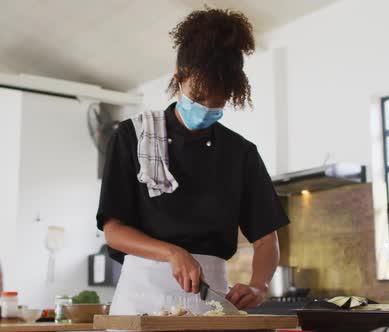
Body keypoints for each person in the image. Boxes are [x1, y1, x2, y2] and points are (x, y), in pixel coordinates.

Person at [96, 7, 289, 315]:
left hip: (208, 302)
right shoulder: (132, 137)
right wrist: (171, 252)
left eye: (218, 103)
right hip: (140, 298)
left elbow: (267, 239)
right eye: (198, 97)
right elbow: (113, 230)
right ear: (179, 76)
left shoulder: (240, 153)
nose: (205, 109)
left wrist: (258, 284)